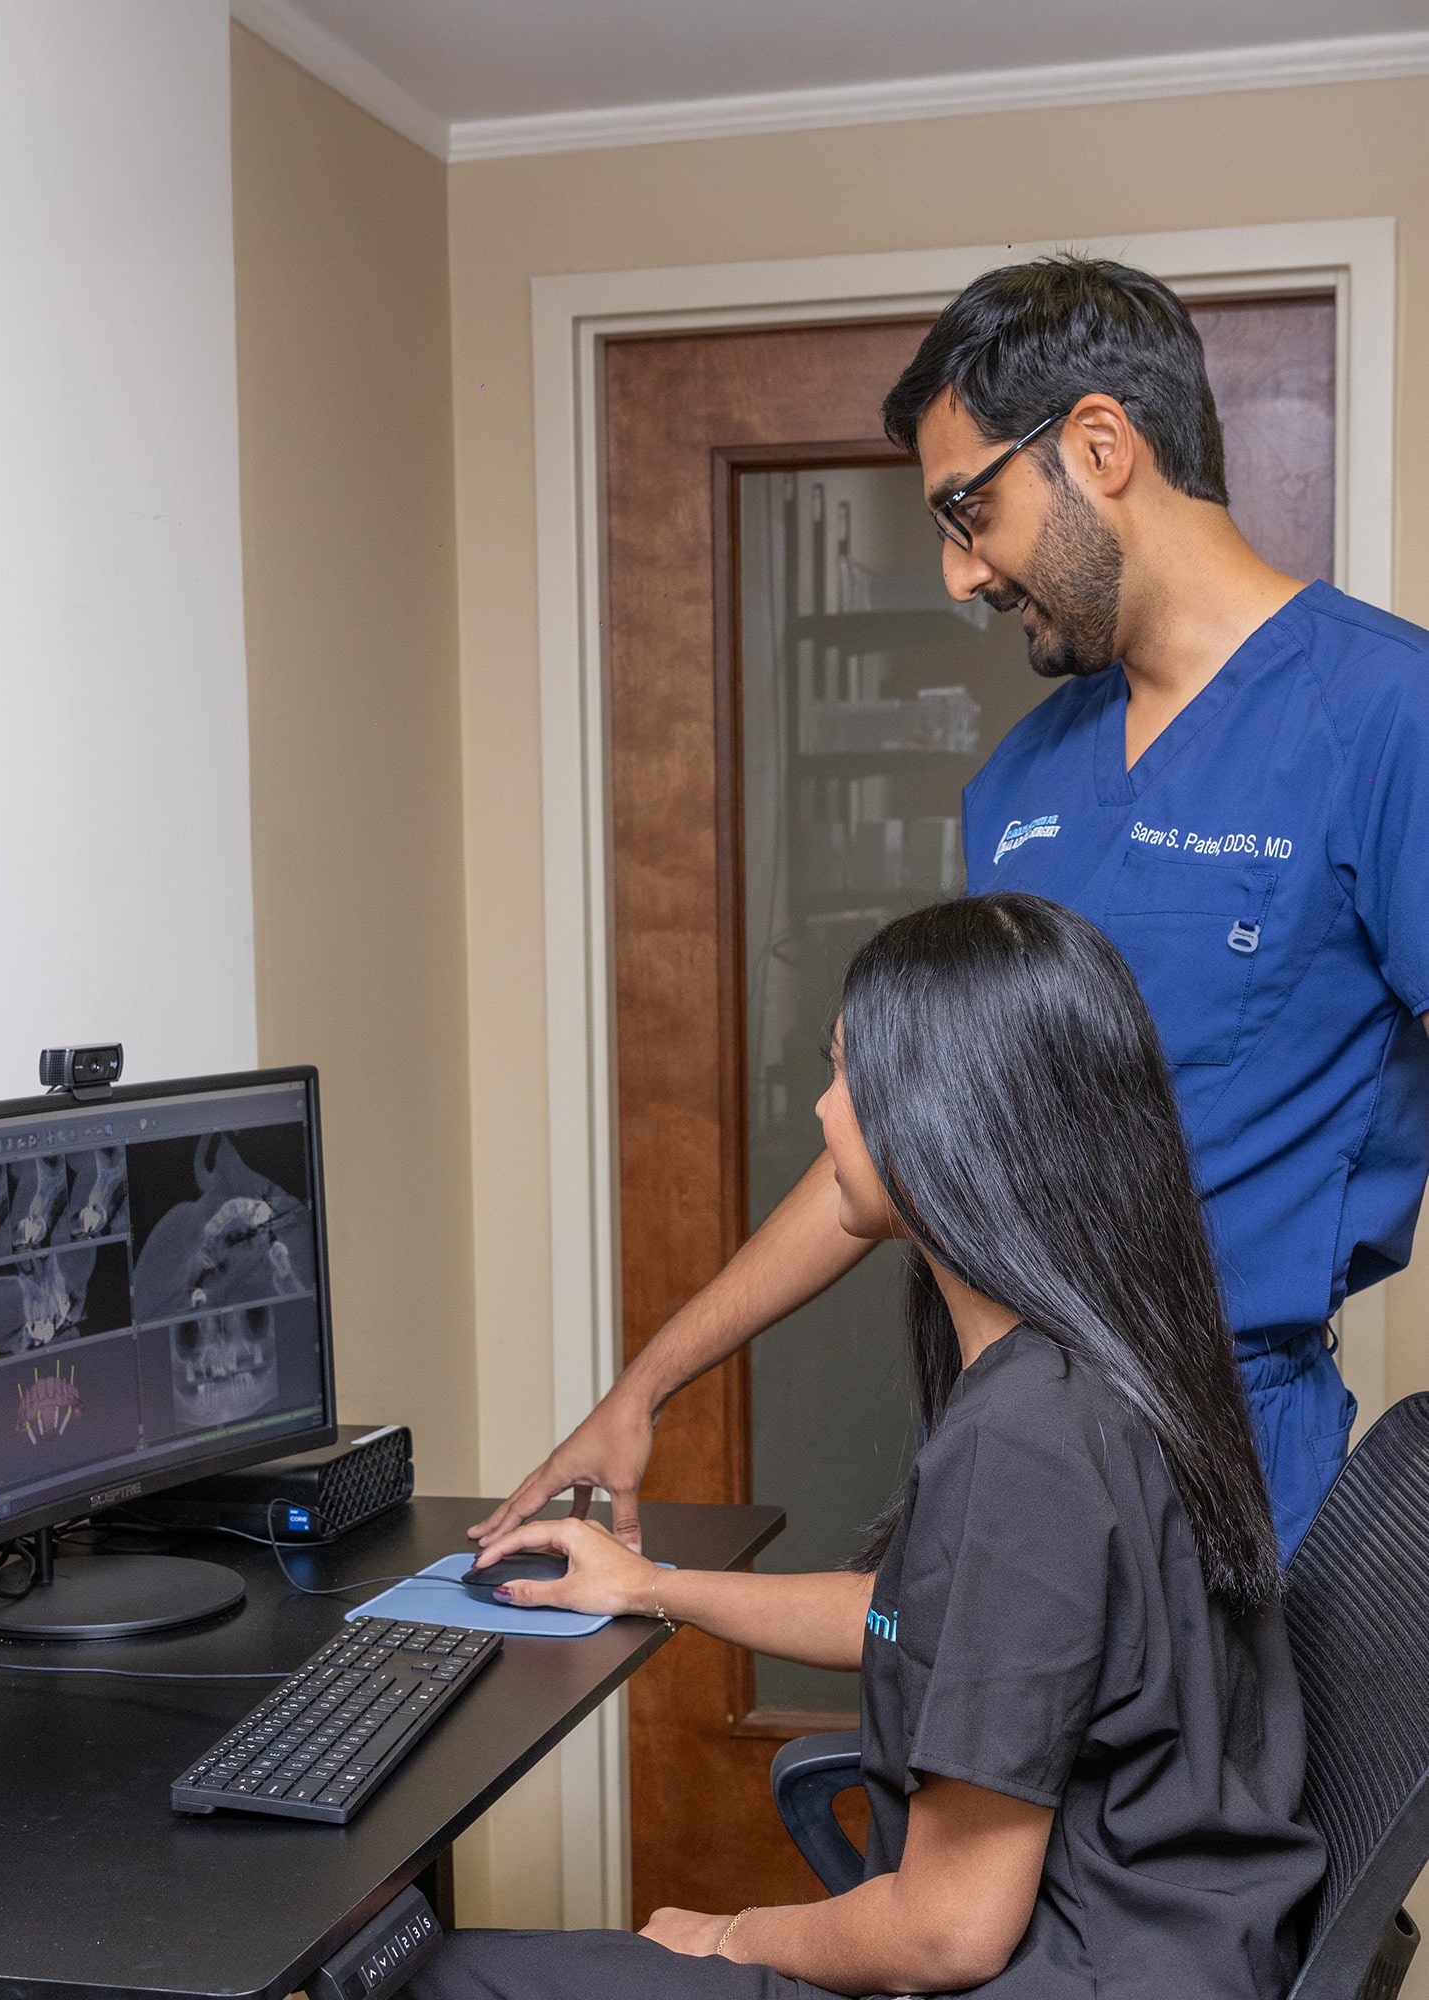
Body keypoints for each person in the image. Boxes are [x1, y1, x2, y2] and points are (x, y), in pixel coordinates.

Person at [473, 256, 1429, 1567]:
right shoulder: (1026, 780)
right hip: (1007, 1430)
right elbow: (905, 1146)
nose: (958, 574)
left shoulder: (1387, 720)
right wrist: (644, 1386)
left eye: (969, 507)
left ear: (1097, 446)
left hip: (1233, 1459)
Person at [431, 895, 1325, 2000]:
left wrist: (733, 1934)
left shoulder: (1031, 1440)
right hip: (1174, 1942)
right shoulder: (1115, 1356)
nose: (822, 1109)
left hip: (1079, 1970)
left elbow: (949, 1929)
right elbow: (931, 1622)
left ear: (951, 1115)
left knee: (444, 1973)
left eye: (853, 1077)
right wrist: (654, 1583)